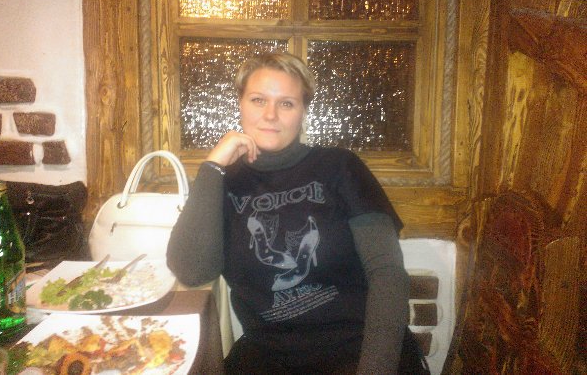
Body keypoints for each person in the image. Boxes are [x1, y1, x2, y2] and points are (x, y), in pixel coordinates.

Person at [167, 52, 428, 374]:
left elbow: (387, 272)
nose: (270, 115)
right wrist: (211, 168)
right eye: (258, 100)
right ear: (240, 104)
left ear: (303, 111)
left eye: (287, 103)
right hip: (268, 355)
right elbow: (192, 272)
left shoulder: (341, 167)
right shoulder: (223, 182)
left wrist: (375, 370)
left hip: (358, 348)